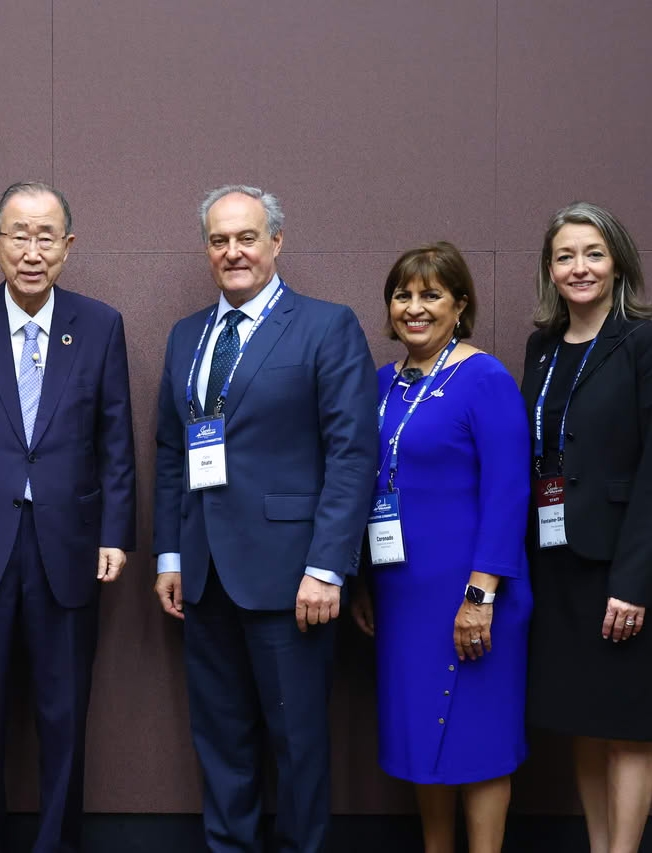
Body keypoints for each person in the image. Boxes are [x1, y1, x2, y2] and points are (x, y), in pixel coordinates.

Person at [152, 185, 377, 853]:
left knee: (298, 744)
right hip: (205, 575)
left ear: (276, 242)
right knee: (221, 742)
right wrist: (170, 554)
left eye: (247, 237)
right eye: (219, 240)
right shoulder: (187, 335)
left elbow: (352, 452)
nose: (233, 251)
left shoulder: (326, 325)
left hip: (293, 578)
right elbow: (171, 449)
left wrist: (327, 566)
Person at [0, 181, 136, 853]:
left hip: (67, 546)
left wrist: (115, 533)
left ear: (68, 246)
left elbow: (116, 438)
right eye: (19, 235)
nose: (31, 251)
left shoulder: (100, 323)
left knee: (63, 714)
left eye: (46, 236)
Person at [520, 202, 652, 853]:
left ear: (617, 261)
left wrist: (635, 581)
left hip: (623, 565)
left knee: (627, 725)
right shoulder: (541, 349)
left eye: (592, 252)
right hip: (557, 558)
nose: (579, 266)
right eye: (565, 255)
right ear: (550, 269)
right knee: (581, 722)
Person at [349, 243, 531, 853]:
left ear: (461, 304)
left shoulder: (486, 378)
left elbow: (510, 494)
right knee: (419, 737)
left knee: (477, 739)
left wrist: (481, 595)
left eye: (431, 295)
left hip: (473, 590)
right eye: (403, 295)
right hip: (402, 593)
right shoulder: (379, 384)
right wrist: (365, 584)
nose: (414, 308)